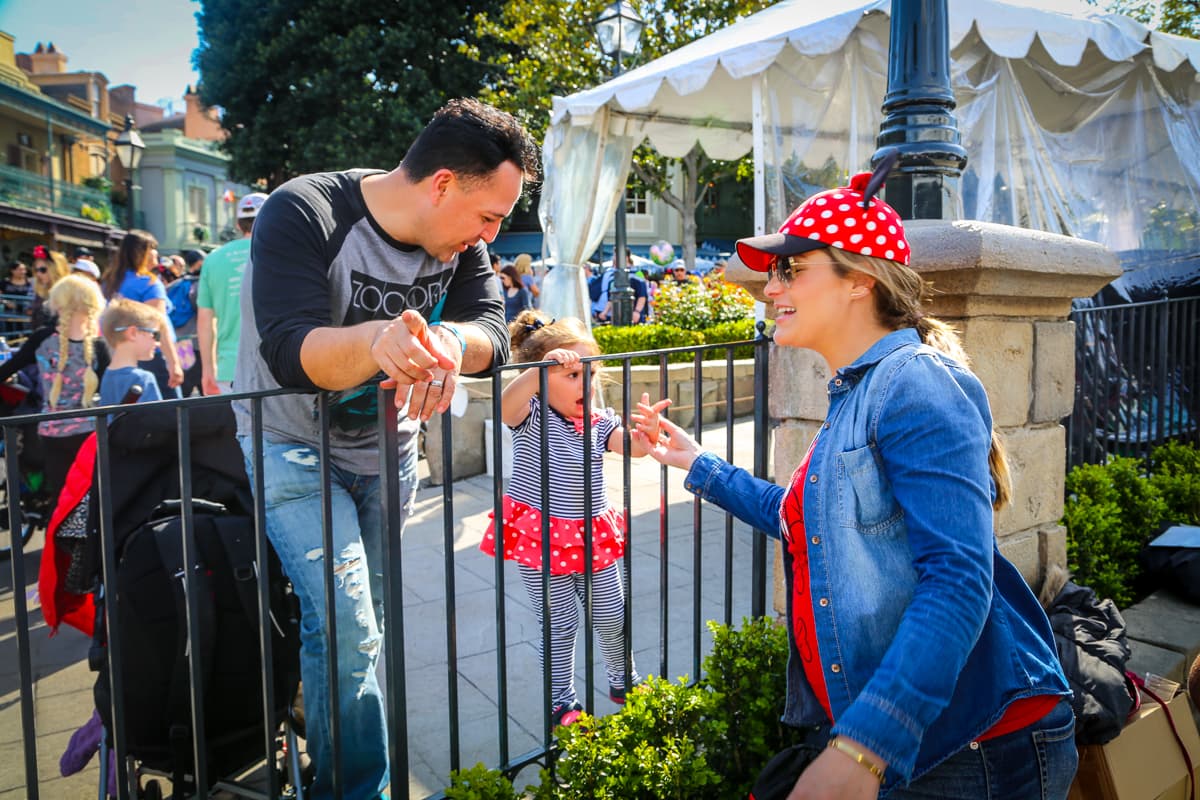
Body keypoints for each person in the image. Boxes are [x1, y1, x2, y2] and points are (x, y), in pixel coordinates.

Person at [632, 169, 1076, 799]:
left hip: (976, 750)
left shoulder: (911, 383)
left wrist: (864, 747)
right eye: (774, 272)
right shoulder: (861, 393)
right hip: (921, 746)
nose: (770, 288)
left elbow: (958, 579)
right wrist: (698, 464)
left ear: (859, 279)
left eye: (792, 269)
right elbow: (802, 518)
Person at [233, 97, 537, 799]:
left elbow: (491, 332)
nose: (492, 234)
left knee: (353, 627)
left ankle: (325, 709)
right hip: (290, 446)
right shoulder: (304, 210)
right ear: (441, 184)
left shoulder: (465, 241)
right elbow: (287, 350)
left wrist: (443, 345)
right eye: (488, 216)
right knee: (350, 628)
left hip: (389, 453)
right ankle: (356, 789)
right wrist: (379, 343)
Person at [479, 310, 667, 726]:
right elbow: (504, 404)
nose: (586, 383)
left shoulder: (597, 422)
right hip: (541, 539)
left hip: (590, 534)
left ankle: (624, 679)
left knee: (612, 611)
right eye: (572, 375)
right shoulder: (530, 416)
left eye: (592, 374)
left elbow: (629, 446)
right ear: (542, 378)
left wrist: (646, 435)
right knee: (560, 622)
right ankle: (562, 701)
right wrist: (538, 371)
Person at [0, 274, 109, 507]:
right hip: (91, 432)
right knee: (92, 499)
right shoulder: (101, 346)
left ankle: (63, 541)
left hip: (51, 431)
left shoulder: (42, 339)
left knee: (64, 500)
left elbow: (9, 367)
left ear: (59, 303)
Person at [100, 230, 184, 398]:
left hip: (120, 356)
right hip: (152, 354)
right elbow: (159, 326)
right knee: (171, 415)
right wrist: (174, 363)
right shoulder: (149, 283)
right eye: (152, 248)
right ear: (142, 252)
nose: (156, 253)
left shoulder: (110, 282)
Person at [197, 192, 264, 395]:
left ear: (238, 224)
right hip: (274, 364)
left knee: (238, 427)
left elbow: (205, 321)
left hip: (229, 368)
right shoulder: (284, 251)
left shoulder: (213, 259)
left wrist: (207, 369)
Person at [98, 298, 165, 406]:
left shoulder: (107, 376)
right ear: (132, 333)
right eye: (155, 335)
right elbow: (158, 420)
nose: (158, 343)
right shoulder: (143, 378)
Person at [166, 250, 206, 396]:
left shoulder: (175, 285)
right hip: (199, 343)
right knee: (206, 392)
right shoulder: (201, 285)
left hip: (180, 343)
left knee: (184, 390)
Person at [30, 248, 71, 330]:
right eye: (36, 270)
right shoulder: (41, 292)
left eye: (43, 270)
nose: (38, 274)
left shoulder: (69, 291)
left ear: (56, 269)